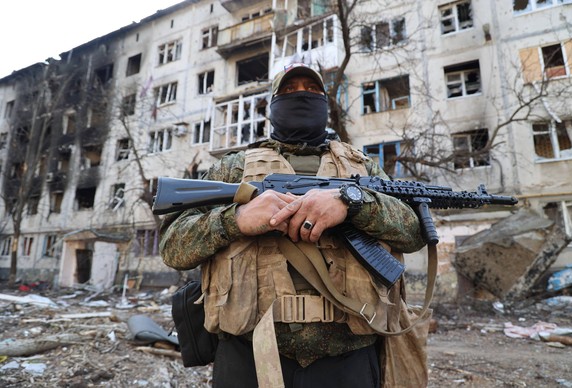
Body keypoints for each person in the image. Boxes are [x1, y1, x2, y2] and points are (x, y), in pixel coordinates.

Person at [159, 63, 426, 387]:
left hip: (349, 358)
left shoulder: (361, 167)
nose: (302, 95)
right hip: (248, 355)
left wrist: (351, 202)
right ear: (273, 105)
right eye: (289, 90)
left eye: (312, 90)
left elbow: (414, 232)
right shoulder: (235, 167)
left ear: (326, 105)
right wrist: (237, 220)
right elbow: (172, 246)